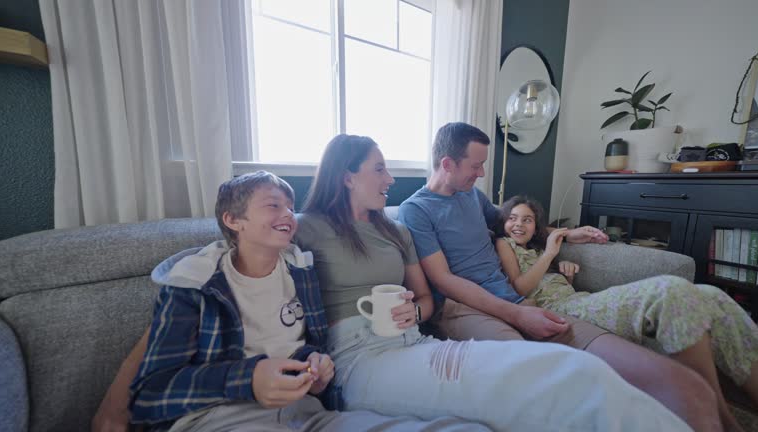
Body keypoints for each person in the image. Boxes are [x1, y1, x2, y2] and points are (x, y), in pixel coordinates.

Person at [292, 133, 698, 431]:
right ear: (346, 177)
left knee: (576, 369)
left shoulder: (394, 230)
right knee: (546, 383)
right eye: (379, 169)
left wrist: (415, 310)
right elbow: (264, 290)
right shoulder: (306, 228)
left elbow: (426, 299)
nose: (389, 178)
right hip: (359, 357)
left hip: (413, 341)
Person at [398, 122, 722, 431]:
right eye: (476, 165)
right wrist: (518, 314)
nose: (482, 173)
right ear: (448, 164)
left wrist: (567, 234)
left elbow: (510, 224)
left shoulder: (471, 195)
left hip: (518, 300)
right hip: (463, 308)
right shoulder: (416, 210)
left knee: (675, 381)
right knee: (550, 380)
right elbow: (443, 281)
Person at [117, 171, 493, 432]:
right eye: (272, 206)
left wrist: (316, 366)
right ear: (234, 220)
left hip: (309, 416)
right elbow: (150, 392)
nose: (287, 216)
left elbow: (312, 345)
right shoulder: (193, 283)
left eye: (289, 206)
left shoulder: (300, 270)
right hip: (221, 419)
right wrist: (248, 378)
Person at [495, 194, 758, 431]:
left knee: (712, 295)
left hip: (580, 300)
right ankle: (714, 417)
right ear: (504, 222)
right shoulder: (504, 245)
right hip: (558, 311)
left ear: (536, 227)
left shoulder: (538, 248)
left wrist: (565, 273)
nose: (519, 224)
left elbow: (554, 278)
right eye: (513, 218)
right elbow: (521, 286)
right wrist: (550, 255)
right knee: (670, 289)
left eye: (527, 219)